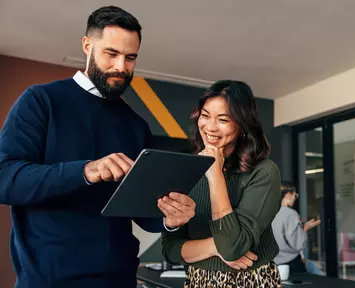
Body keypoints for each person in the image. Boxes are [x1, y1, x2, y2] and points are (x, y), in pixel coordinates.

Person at [0, 6, 195, 288]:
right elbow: (5, 178)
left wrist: (172, 218)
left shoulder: (135, 125)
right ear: (87, 46)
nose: (121, 67)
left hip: (120, 279)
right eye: (111, 54)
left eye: (130, 58)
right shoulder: (41, 101)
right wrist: (86, 171)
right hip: (49, 281)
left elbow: (143, 211)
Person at [161, 80, 282, 287]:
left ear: (242, 125)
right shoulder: (184, 170)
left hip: (252, 281)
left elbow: (232, 248)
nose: (210, 127)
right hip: (198, 282)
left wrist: (215, 173)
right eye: (205, 115)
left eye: (223, 119)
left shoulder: (263, 172)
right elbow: (170, 250)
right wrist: (213, 246)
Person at [271, 181, 321, 273]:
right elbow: (297, 244)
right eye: (295, 195)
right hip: (289, 263)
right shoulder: (290, 214)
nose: (295, 198)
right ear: (288, 195)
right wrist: (305, 229)